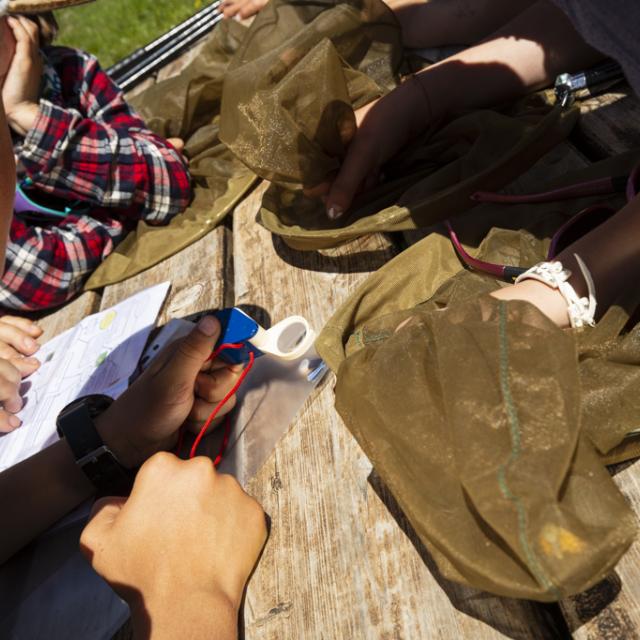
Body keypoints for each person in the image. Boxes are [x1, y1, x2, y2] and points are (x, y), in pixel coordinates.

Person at [0, 1, 191, 311]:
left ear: (22, 24)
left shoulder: (70, 73)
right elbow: (34, 283)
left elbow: (171, 182)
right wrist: (125, 208)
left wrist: (27, 116)